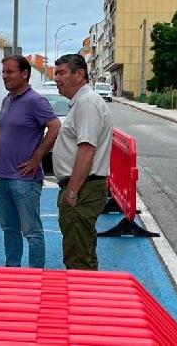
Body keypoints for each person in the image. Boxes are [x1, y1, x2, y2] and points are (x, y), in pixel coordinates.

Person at [0, 55, 61, 268]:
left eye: (10, 72)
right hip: (3, 176)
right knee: (9, 229)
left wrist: (36, 159)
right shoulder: (7, 100)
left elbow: (55, 126)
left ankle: (36, 275)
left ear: (24, 74)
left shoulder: (35, 101)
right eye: (3, 72)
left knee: (32, 232)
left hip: (24, 179)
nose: (5, 76)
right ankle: (12, 271)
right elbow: (0, 128)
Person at [52, 54, 113, 270]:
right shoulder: (81, 102)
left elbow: (87, 149)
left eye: (61, 73)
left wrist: (72, 192)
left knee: (79, 258)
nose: (57, 79)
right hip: (82, 188)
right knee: (80, 249)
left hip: (82, 189)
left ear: (79, 74)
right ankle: (84, 297)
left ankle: (82, 300)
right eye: (55, 73)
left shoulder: (87, 102)